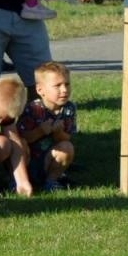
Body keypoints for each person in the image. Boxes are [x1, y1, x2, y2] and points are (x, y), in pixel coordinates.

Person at [18, 60, 77, 190]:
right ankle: (17, 181)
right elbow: (22, 138)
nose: (64, 90)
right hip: (28, 162)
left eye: (67, 84)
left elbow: (65, 139)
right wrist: (40, 131)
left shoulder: (69, 109)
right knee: (19, 145)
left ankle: (51, 181)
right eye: (57, 85)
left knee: (67, 147)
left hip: (49, 159)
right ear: (40, 90)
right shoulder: (32, 109)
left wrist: (58, 132)